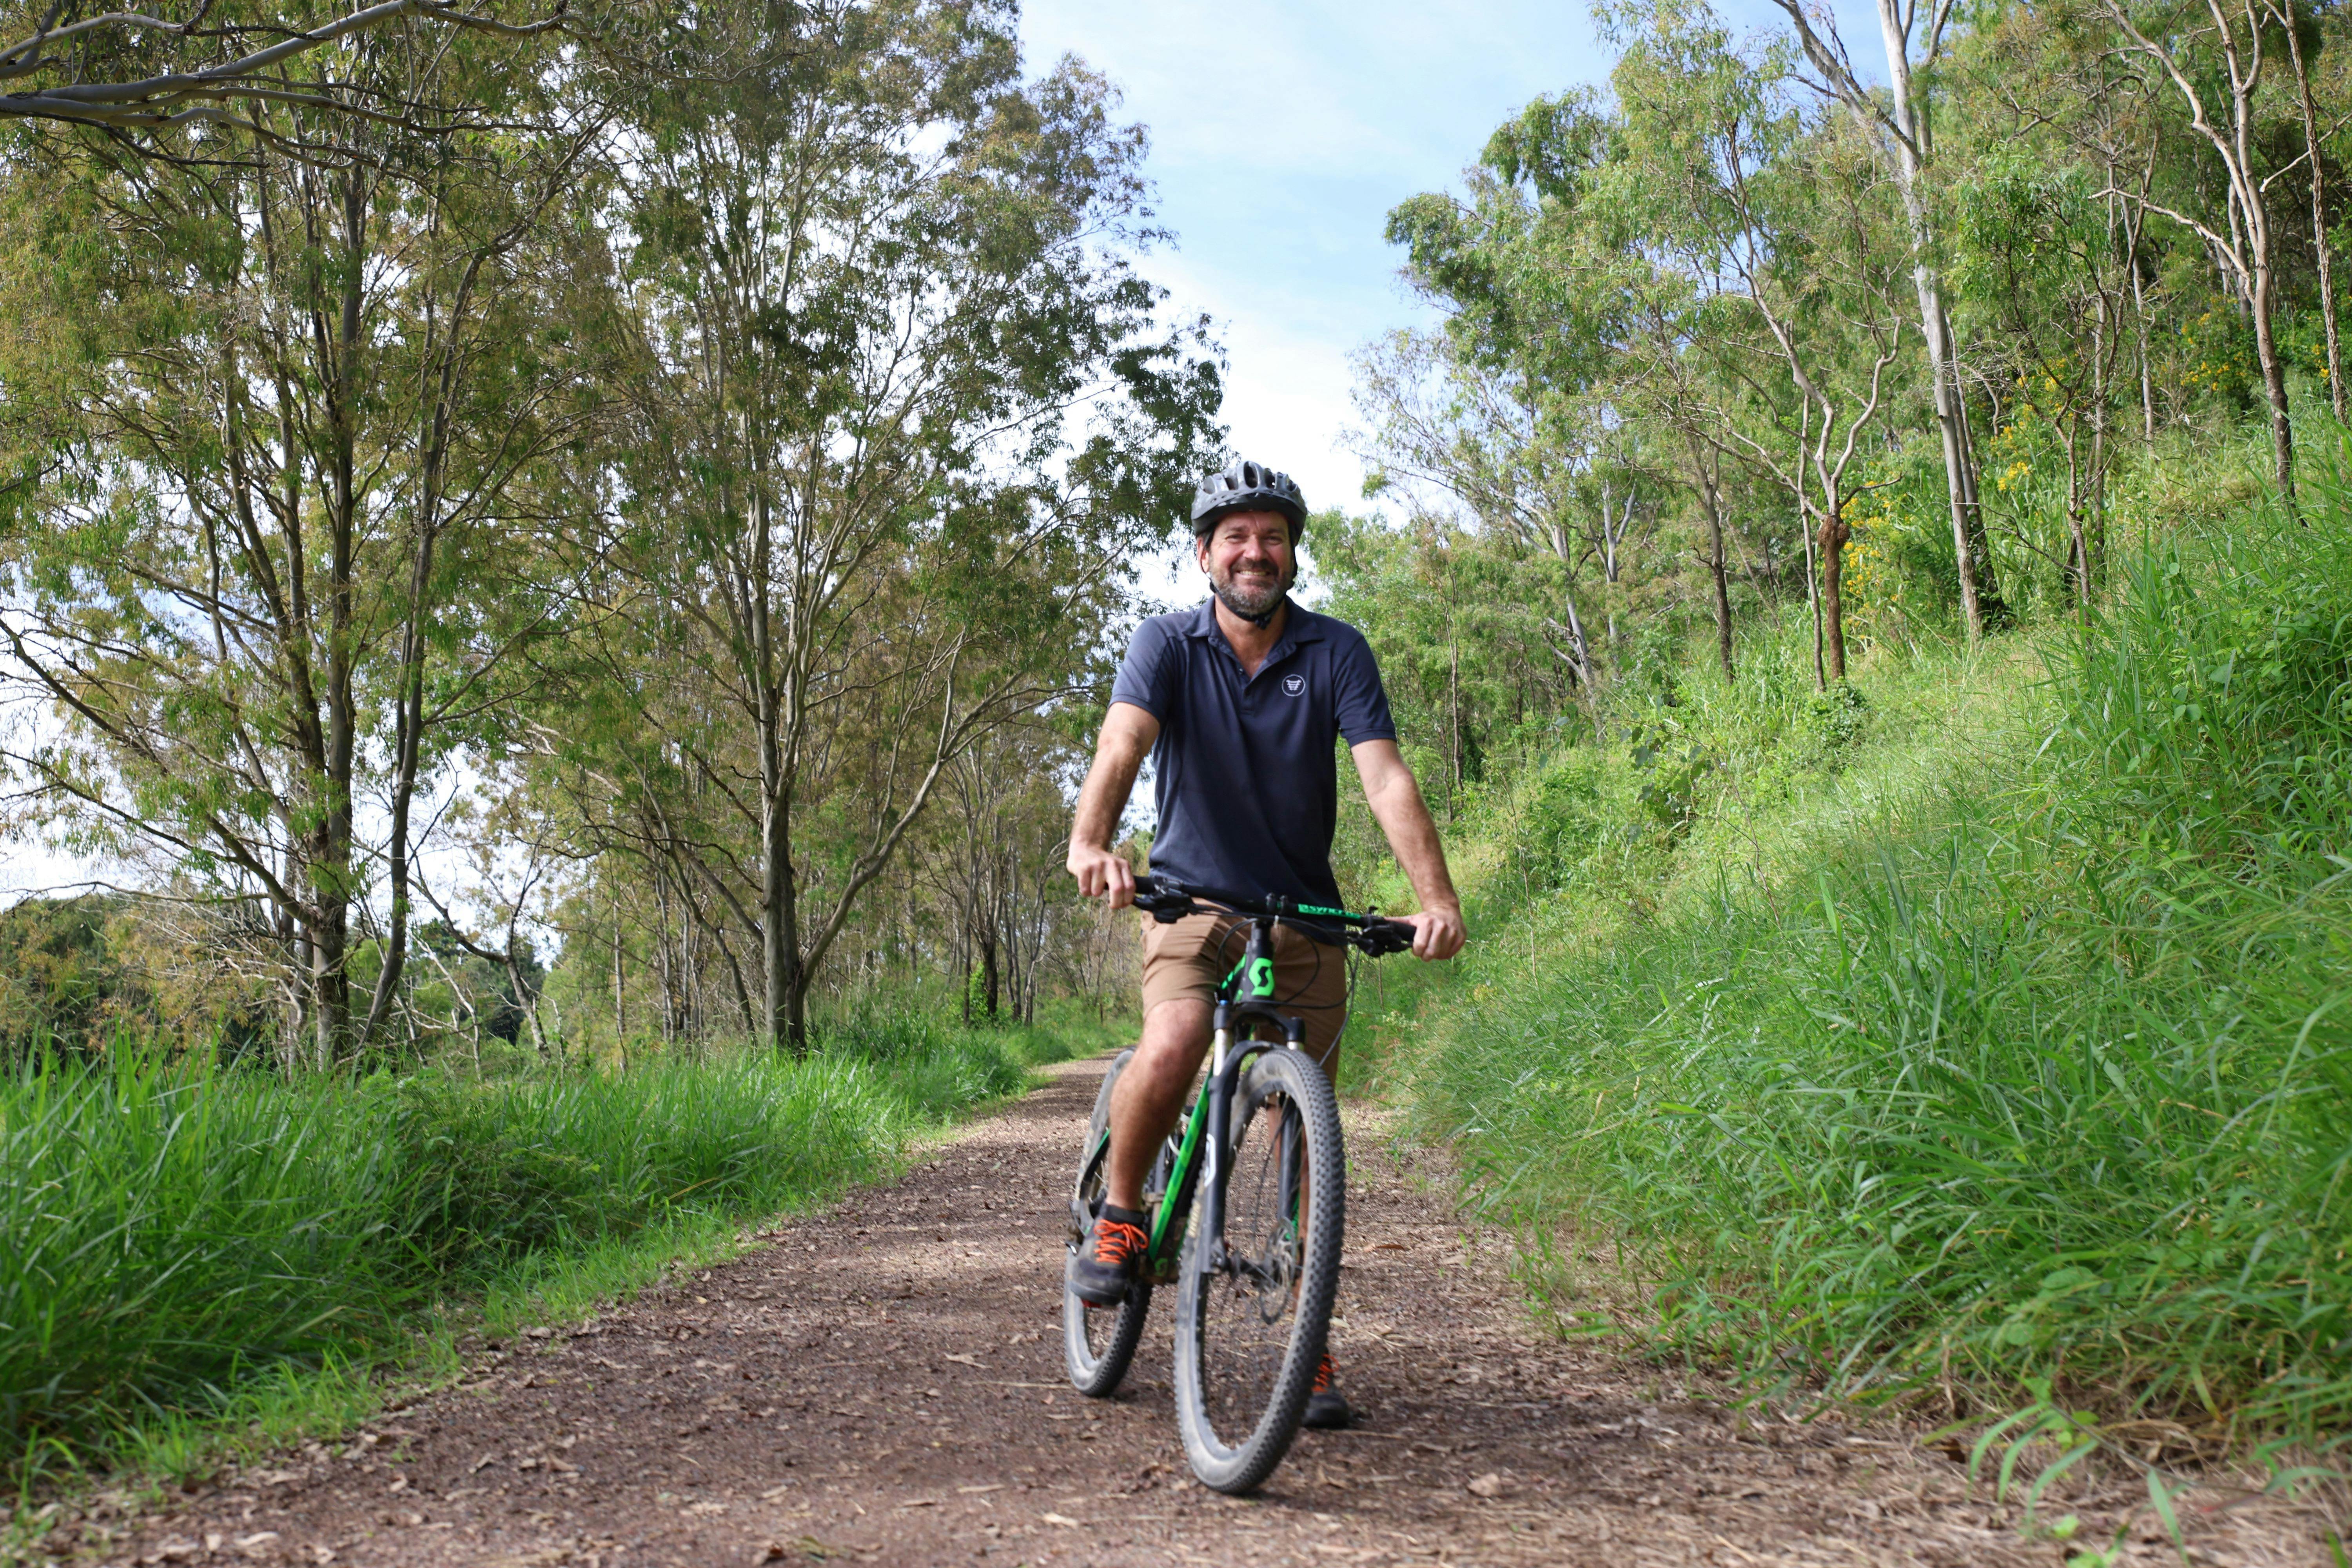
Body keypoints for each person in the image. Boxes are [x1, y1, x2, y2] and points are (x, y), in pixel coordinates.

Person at [1063, 457, 1466, 1431]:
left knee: (1304, 1122)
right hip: (1193, 904)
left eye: (1273, 535)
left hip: (1305, 916)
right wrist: (1091, 841)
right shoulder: (1167, 643)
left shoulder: (1335, 652)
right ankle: (1122, 1218)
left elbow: (1385, 779)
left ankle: (1302, 1319)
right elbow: (1121, 748)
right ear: (1206, 554)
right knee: (1174, 1040)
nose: (1256, 550)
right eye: (1235, 535)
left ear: (1291, 553)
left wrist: (1434, 897)